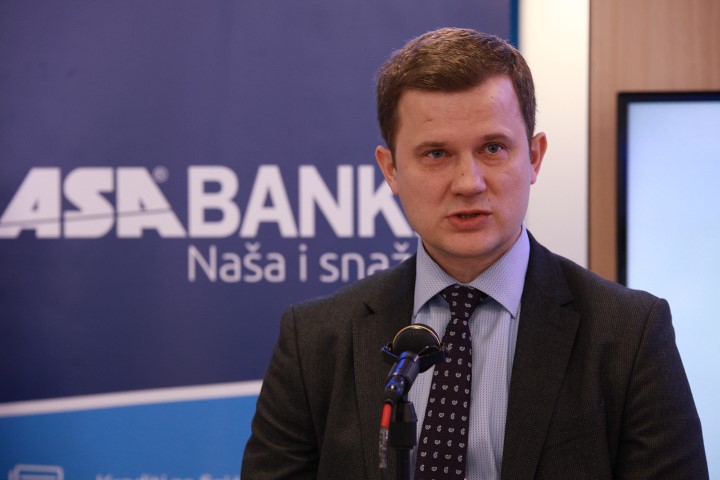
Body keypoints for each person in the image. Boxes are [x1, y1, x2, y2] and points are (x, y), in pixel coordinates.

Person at [241, 27, 708, 479]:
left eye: (493, 148)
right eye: (436, 154)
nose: (469, 183)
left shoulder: (630, 335)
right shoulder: (314, 340)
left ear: (535, 157)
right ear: (391, 170)